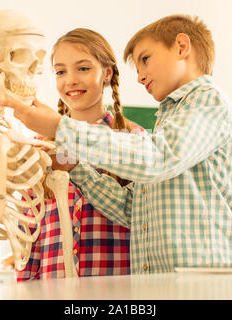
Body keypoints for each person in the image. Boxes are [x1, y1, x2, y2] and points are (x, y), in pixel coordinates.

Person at [4, 14, 232, 274]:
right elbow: (133, 209)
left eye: (145, 59)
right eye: (61, 70)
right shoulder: (169, 123)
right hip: (158, 285)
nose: (140, 77)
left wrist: (59, 128)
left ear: (181, 46)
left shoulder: (208, 103)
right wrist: (77, 169)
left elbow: (158, 158)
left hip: (201, 286)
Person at [15, 28, 143, 281]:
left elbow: (142, 221)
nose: (70, 80)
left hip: (119, 288)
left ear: (107, 73)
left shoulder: (133, 140)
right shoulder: (40, 148)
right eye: (60, 71)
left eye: (83, 68)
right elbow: (28, 232)